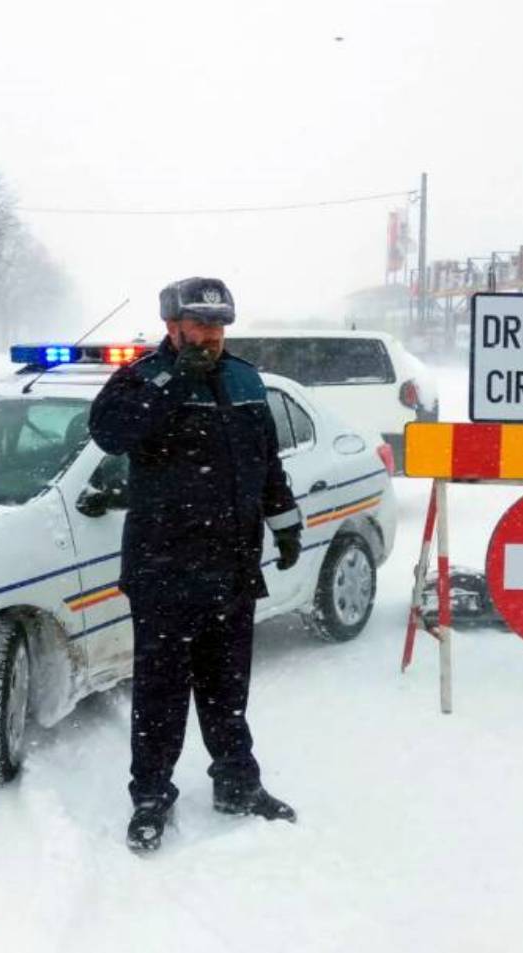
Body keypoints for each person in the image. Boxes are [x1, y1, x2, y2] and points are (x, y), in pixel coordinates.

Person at [89, 276, 303, 853]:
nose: (209, 335)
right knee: (160, 694)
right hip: (164, 570)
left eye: (217, 325)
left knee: (226, 690)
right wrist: (172, 384)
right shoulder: (141, 378)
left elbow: (267, 463)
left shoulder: (245, 378)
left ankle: (237, 783)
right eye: (199, 325)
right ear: (172, 326)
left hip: (232, 567)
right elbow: (110, 434)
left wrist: (284, 523)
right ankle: (151, 796)